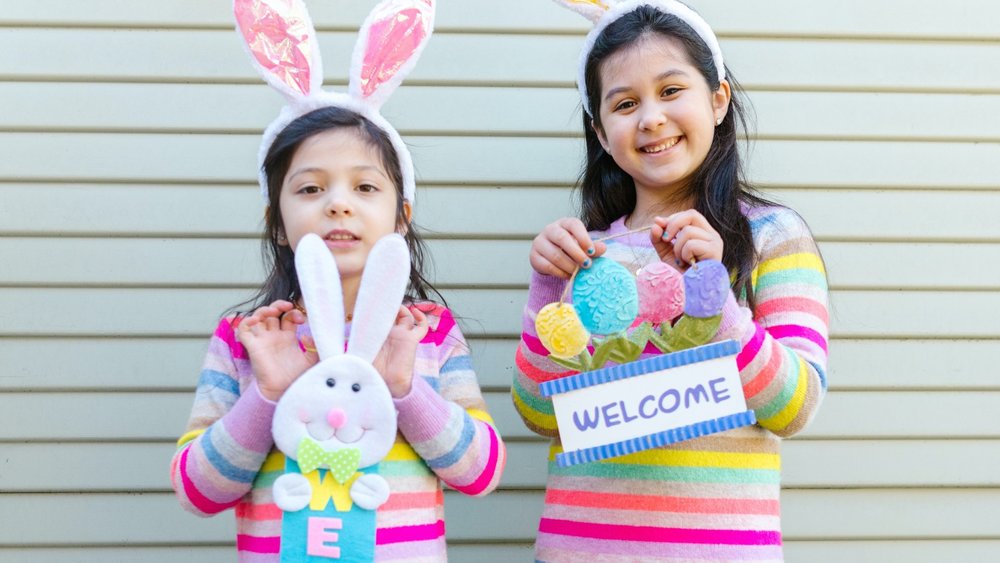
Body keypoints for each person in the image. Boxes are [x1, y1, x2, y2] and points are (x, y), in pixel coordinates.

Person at [171, 2, 505, 560]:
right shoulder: (249, 339)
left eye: (365, 188)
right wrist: (267, 394)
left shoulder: (425, 332)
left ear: (402, 215)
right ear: (277, 223)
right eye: (310, 189)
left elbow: (481, 473)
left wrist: (405, 389)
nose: (338, 205)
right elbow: (197, 491)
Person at [513, 1, 829, 561]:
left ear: (718, 99)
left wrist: (712, 297)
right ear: (600, 132)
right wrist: (546, 292)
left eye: (671, 90)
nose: (651, 118)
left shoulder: (772, 235)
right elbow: (540, 414)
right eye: (625, 103)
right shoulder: (586, 257)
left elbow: (796, 405)